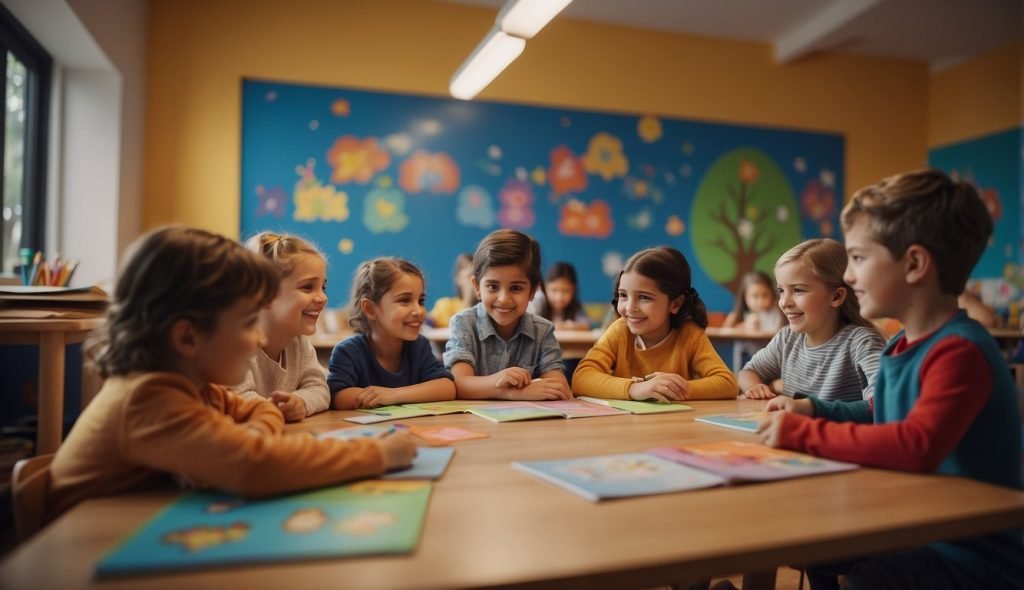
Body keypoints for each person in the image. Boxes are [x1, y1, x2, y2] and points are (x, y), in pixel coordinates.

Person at [758, 169, 1023, 590]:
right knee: (806, 544)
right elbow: (879, 416)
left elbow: (914, 444)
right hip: (912, 527)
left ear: (915, 264)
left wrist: (805, 432)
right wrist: (815, 407)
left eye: (859, 259)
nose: (848, 276)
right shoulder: (900, 344)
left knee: (870, 574)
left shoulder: (959, 352)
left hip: (969, 556)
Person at [47, 226, 416, 523]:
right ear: (187, 337)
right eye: (246, 323)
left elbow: (256, 421)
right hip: (87, 547)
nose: (257, 336)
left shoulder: (193, 387)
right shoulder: (147, 398)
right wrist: (377, 454)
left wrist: (254, 437)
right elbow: (254, 466)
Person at [572, 246, 737, 401]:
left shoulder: (690, 334)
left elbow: (727, 384)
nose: (629, 307)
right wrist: (634, 389)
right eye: (623, 295)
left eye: (644, 297)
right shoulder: (620, 330)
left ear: (675, 304)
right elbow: (581, 378)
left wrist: (673, 389)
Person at [738, 239, 886, 402]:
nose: (784, 302)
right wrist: (755, 388)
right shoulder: (786, 339)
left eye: (798, 290)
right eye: (781, 290)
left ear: (836, 297)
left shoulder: (862, 343)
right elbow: (748, 372)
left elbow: (882, 403)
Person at [443, 229, 571, 401]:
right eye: (493, 287)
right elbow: (458, 384)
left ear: (533, 291)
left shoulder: (543, 331)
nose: (503, 299)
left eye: (516, 288)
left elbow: (557, 385)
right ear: (476, 287)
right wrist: (507, 390)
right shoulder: (463, 323)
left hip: (526, 424)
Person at [328, 257, 455, 409]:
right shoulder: (348, 351)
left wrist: (393, 395)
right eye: (405, 300)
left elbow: (447, 387)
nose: (418, 311)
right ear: (370, 309)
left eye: (420, 301)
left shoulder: (418, 346)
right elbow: (337, 396)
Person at [234, 232, 330, 421]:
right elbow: (236, 398)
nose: (323, 298)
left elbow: (319, 386)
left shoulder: (299, 342)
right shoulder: (237, 343)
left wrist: (300, 402)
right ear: (265, 293)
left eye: (323, 287)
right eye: (307, 287)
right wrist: (273, 410)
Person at [529, 261, 591, 330]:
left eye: (566, 291)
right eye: (554, 290)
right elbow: (528, 324)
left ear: (574, 290)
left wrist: (570, 326)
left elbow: (586, 325)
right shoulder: (537, 300)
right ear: (545, 288)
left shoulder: (575, 306)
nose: (559, 297)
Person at [427, 252, 477, 328]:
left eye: (477, 276)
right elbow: (424, 328)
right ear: (458, 278)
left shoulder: (485, 309)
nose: (474, 281)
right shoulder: (446, 305)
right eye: (469, 275)